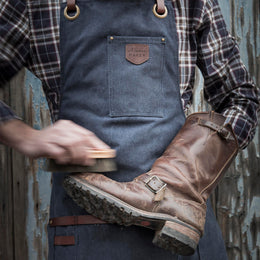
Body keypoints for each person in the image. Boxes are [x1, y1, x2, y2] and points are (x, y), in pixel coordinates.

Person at [0, 0, 258, 259]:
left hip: (180, 237)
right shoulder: (37, 5)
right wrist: (27, 137)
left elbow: (241, 99)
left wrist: (179, 179)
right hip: (85, 239)